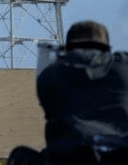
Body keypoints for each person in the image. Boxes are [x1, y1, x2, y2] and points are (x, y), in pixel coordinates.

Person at [9, 20, 128, 164]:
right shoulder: (123, 66)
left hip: (67, 157)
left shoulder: (49, 76)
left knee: (20, 156)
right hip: (119, 155)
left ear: (68, 48)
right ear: (106, 48)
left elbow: (51, 115)